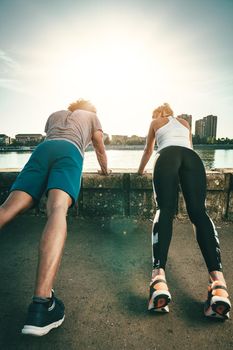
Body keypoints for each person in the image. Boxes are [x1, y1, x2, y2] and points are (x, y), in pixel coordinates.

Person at [0, 99, 111, 336]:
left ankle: (42, 305)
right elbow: (99, 146)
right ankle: (41, 305)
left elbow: (51, 138)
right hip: (69, 151)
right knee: (57, 210)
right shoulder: (92, 116)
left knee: (6, 209)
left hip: (42, 151)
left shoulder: (55, 114)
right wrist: (105, 169)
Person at [137, 102, 231, 319]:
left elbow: (149, 150)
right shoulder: (184, 122)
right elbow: (188, 147)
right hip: (192, 159)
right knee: (199, 213)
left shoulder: (155, 122)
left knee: (166, 210)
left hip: (167, 156)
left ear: (159, 113)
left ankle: (158, 279)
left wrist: (140, 170)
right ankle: (218, 284)